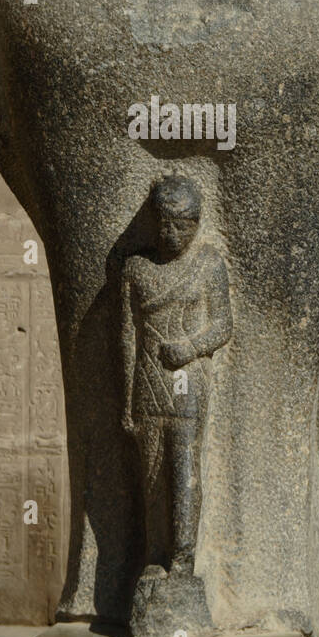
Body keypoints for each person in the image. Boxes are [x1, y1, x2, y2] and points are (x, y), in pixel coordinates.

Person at [121, 175, 232, 574]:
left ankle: (183, 554)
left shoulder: (208, 265)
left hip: (187, 380)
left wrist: (189, 348)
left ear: (197, 223)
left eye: (182, 224)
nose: (171, 233)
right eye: (164, 223)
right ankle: (155, 554)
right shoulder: (136, 268)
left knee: (184, 468)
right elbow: (126, 335)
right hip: (148, 379)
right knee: (152, 473)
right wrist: (127, 400)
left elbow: (222, 325)